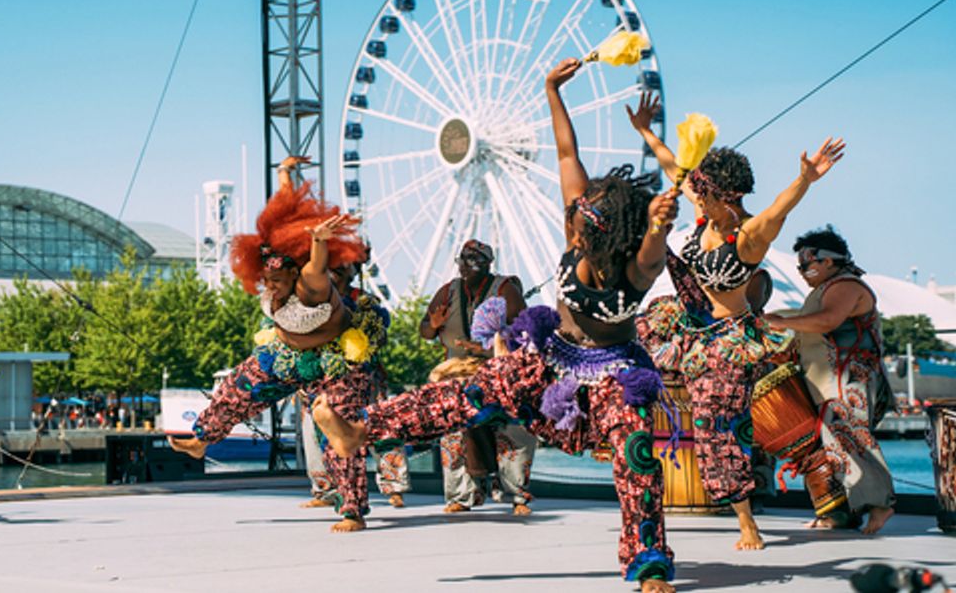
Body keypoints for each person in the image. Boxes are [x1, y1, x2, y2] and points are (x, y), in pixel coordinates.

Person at [315, 58, 680, 590]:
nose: (570, 229)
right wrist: (551, 89)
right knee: (463, 395)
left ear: (610, 236)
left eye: (580, 228)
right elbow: (565, 152)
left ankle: (649, 564)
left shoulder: (637, 265)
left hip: (612, 375)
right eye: (571, 221)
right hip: (553, 358)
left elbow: (653, 245)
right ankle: (359, 431)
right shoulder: (577, 222)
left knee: (635, 453)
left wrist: (660, 224)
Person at [630, 90, 844, 551]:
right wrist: (646, 130)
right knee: (629, 335)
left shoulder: (749, 236)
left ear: (725, 197)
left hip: (728, 342)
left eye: (702, 195)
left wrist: (805, 179)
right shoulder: (703, 206)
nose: (695, 199)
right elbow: (675, 167)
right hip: (687, 324)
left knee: (714, 427)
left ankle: (747, 523)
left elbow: (778, 209)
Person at [169, 154, 376, 533]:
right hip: (283, 355)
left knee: (340, 430)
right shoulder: (276, 277)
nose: (270, 287)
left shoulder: (312, 283)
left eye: (277, 280)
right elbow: (283, 217)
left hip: (335, 364)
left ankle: (352, 508)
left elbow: (315, 261)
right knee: (237, 387)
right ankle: (202, 439)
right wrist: (285, 174)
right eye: (265, 280)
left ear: (295, 272)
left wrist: (317, 242)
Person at [763, 226, 896, 534]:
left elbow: (828, 321)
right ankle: (841, 513)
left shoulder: (846, 285)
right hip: (828, 381)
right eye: (799, 266)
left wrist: (781, 322)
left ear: (829, 260)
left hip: (848, 380)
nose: (802, 271)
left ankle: (880, 504)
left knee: (850, 438)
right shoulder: (824, 289)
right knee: (832, 445)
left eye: (808, 263)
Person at [420, 240, 531, 514]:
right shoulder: (447, 292)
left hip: (498, 374)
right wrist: (432, 325)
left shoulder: (505, 290)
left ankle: (518, 495)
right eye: (464, 261)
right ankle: (461, 496)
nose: (468, 267)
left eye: (475, 262)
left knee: (511, 431)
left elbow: (525, 330)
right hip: (456, 375)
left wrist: (488, 346)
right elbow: (424, 331)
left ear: (487, 265)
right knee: (454, 433)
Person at [300, 258, 410, 510]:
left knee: (381, 428)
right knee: (317, 432)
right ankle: (325, 489)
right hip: (321, 379)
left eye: (341, 269)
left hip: (362, 379)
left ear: (352, 272)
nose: (335, 274)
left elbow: (380, 337)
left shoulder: (366, 301)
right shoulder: (311, 300)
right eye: (331, 268)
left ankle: (394, 487)